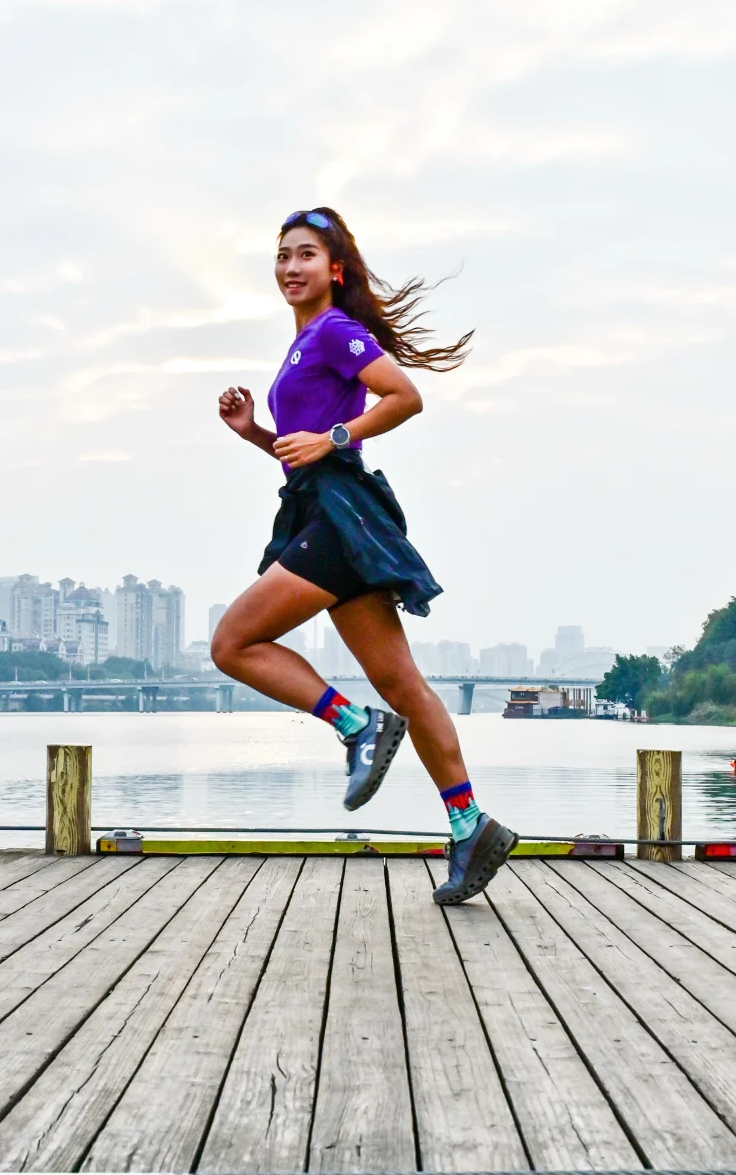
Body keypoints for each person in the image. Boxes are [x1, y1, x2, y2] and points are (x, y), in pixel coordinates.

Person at [211, 207, 517, 905]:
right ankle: (469, 825)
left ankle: (355, 724)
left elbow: (404, 396)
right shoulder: (302, 344)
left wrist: (337, 435)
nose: (291, 266)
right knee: (405, 682)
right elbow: (304, 449)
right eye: (283, 254)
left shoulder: (335, 332)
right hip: (328, 514)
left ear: (335, 268)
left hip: (337, 517)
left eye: (307, 254)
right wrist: (256, 431)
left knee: (232, 642)